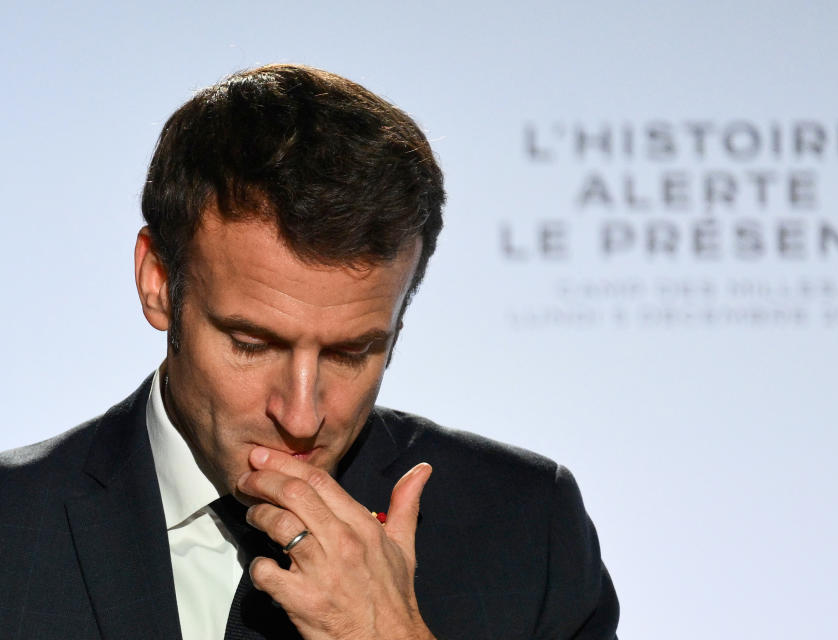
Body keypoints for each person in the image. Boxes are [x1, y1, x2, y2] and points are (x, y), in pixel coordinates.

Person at [0, 64, 618, 640]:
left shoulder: (527, 529)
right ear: (158, 281)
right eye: (252, 344)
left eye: (351, 353)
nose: (301, 417)